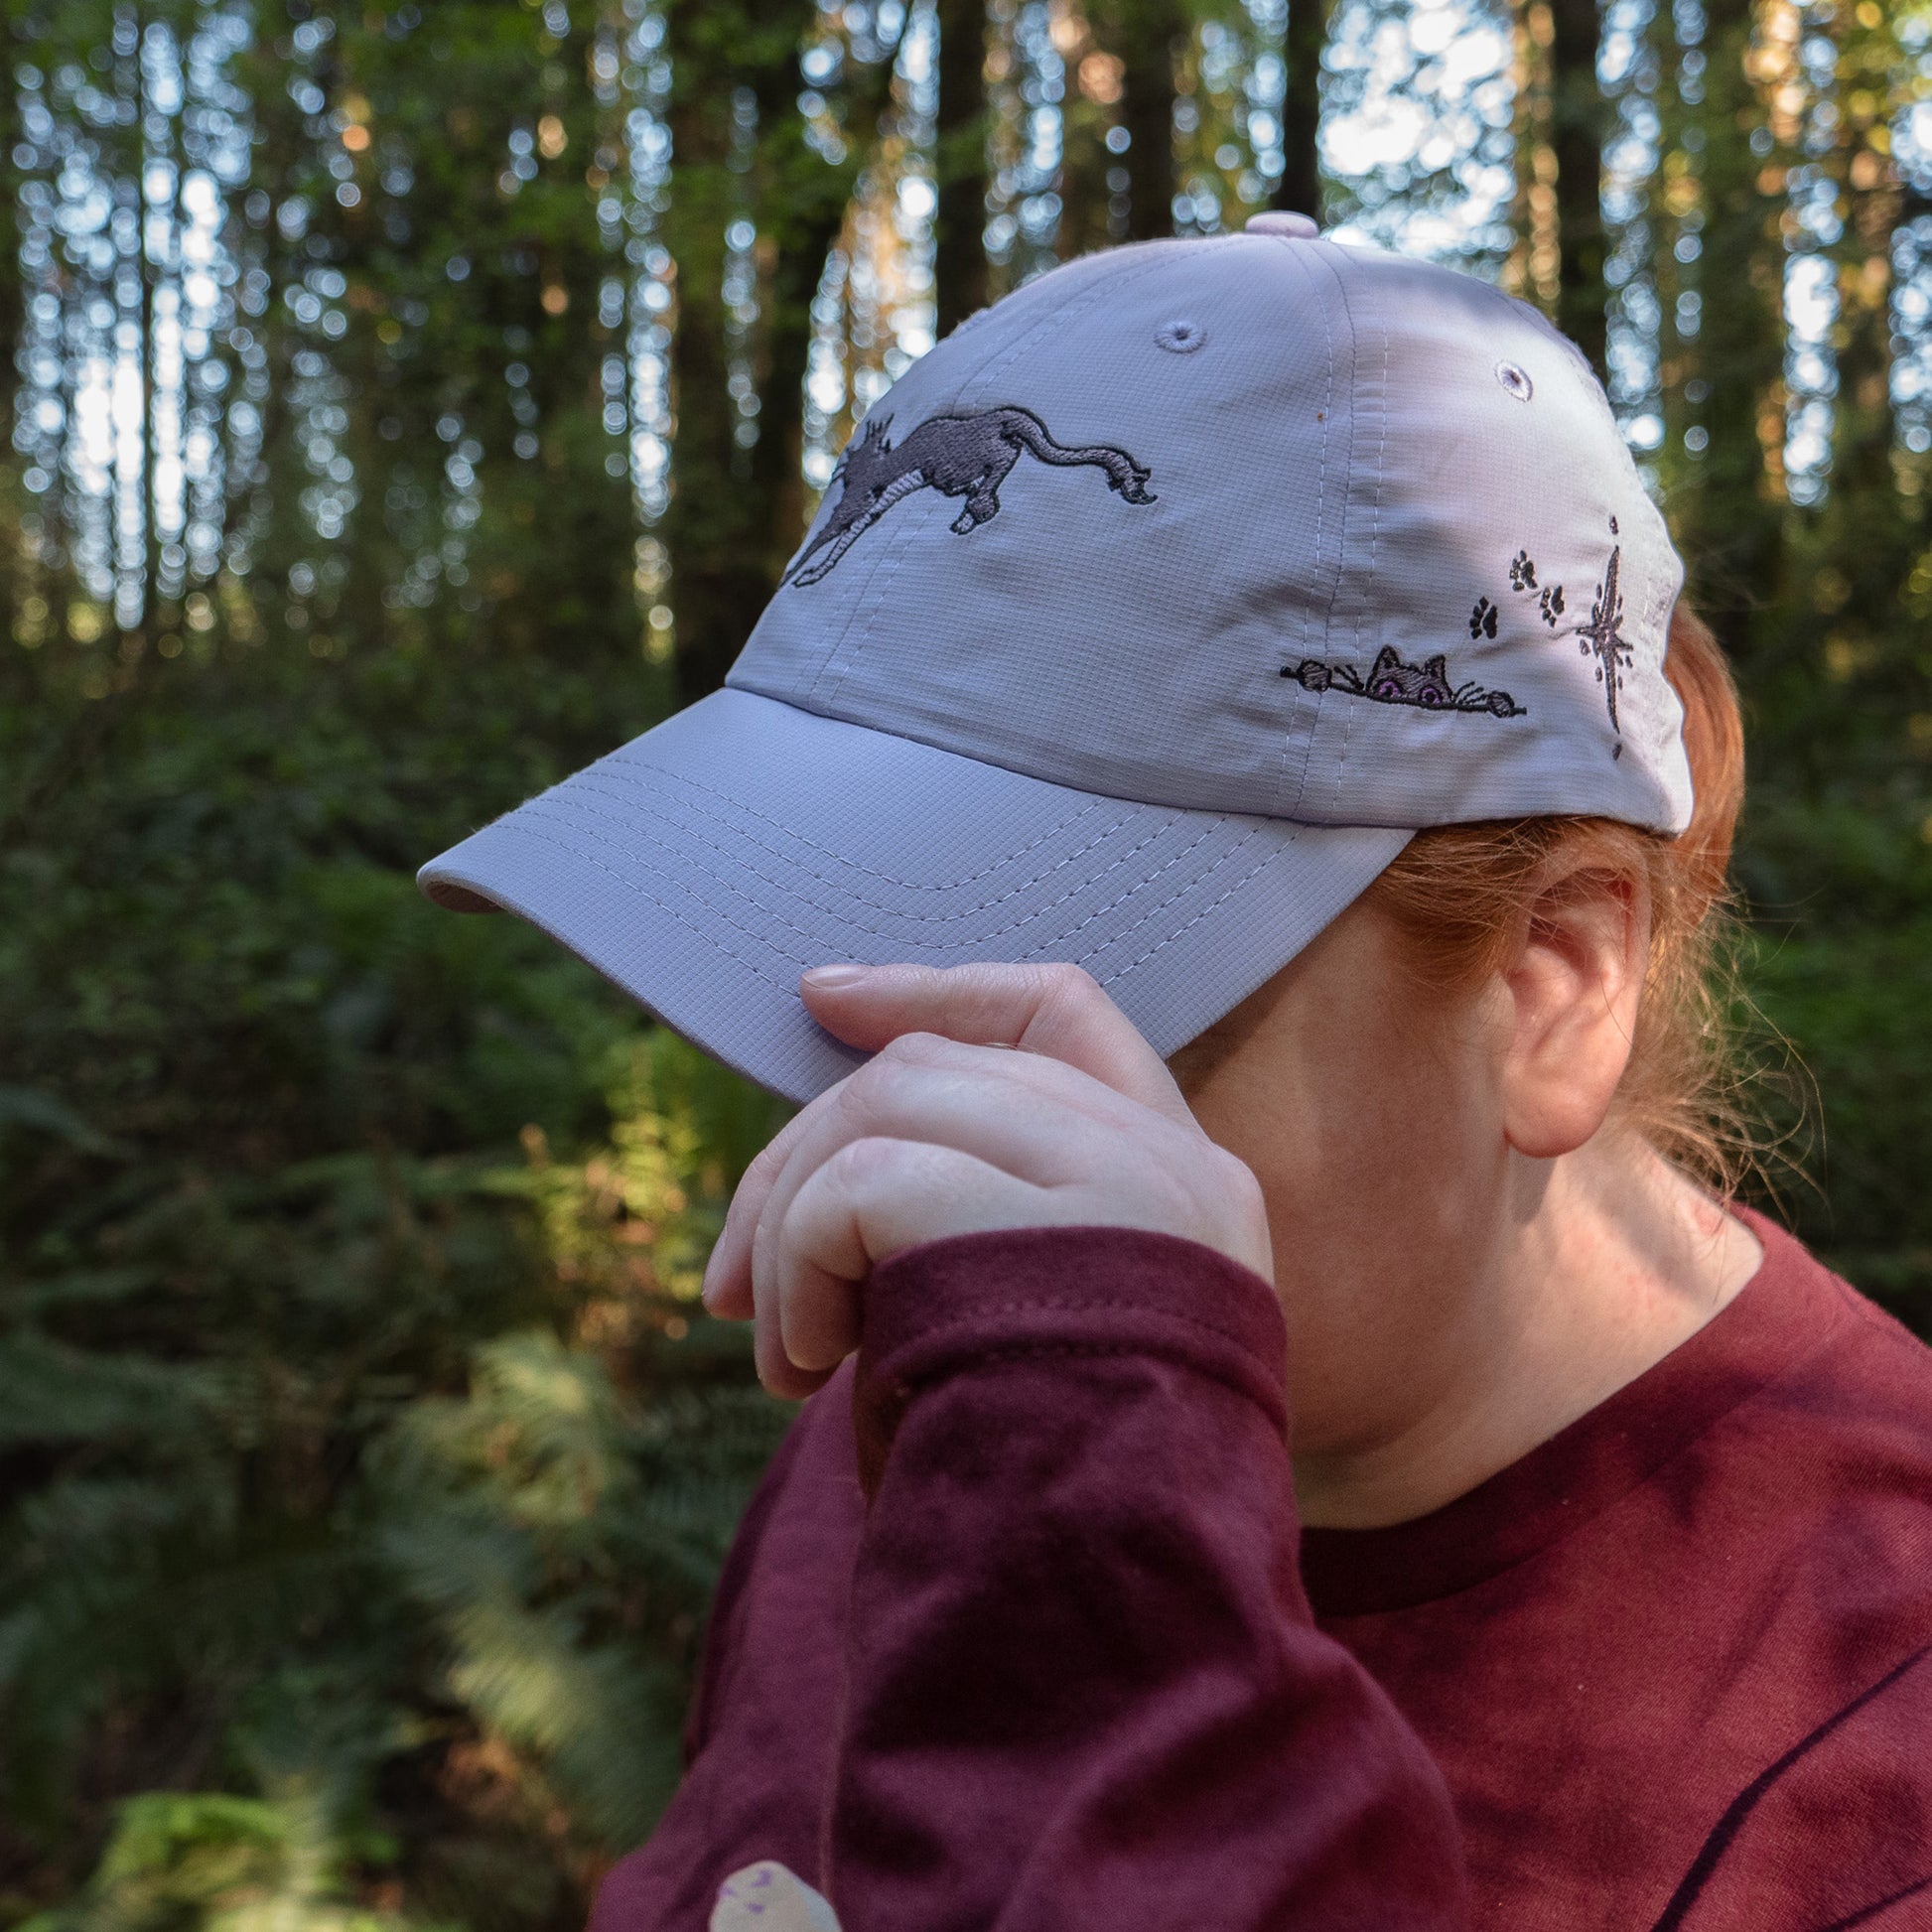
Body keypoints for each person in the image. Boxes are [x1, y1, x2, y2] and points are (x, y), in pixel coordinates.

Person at [420, 216, 1932, 1930]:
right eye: (834, 993)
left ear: (1549, 985)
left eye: (1097, 1026)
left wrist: (1110, 1593)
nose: (896, 1151)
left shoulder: (1860, 1748)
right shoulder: (978, 1388)